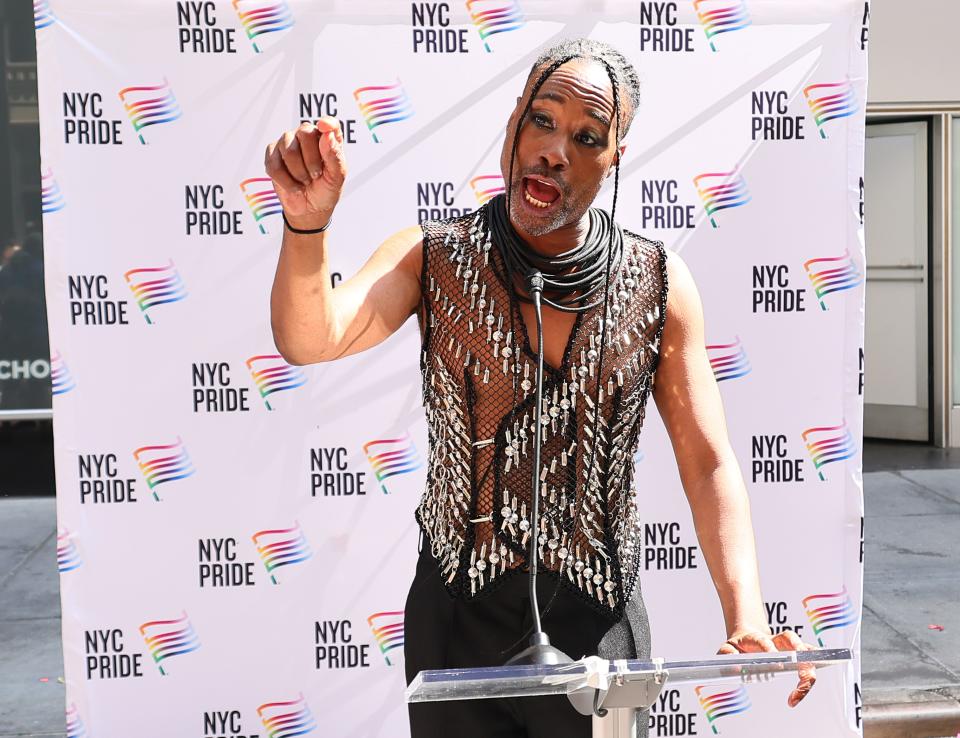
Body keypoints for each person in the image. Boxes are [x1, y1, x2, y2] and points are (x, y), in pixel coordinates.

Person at [266, 37, 816, 738]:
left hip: (600, 622)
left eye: (588, 136)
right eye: (542, 120)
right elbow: (311, 336)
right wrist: (306, 227)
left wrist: (746, 616)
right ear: (512, 126)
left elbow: (707, 463)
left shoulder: (657, 284)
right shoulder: (431, 257)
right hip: (456, 618)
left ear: (615, 157)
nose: (556, 149)